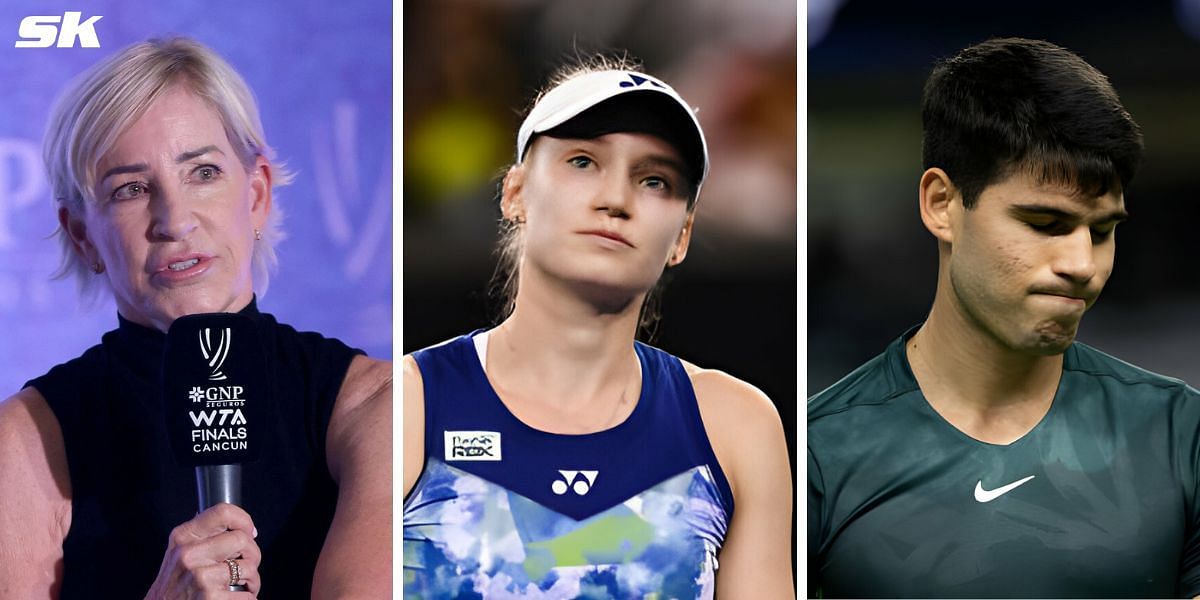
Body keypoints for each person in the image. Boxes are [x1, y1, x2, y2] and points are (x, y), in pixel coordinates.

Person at [806, 37, 1200, 598]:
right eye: (1044, 223)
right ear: (942, 204)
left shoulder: (1181, 434)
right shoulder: (816, 454)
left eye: (1103, 231)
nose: (1081, 264)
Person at [0, 37, 391, 598]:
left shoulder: (375, 406)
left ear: (256, 196)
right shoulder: (24, 443)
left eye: (202, 172)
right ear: (83, 235)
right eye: (131, 189)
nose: (175, 219)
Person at [402, 55, 794, 598]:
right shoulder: (407, 404)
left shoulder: (737, 426)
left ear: (681, 236)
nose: (615, 199)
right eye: (583, 161)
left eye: (655, 180)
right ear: (514, 192)